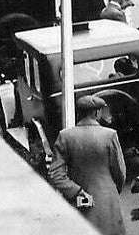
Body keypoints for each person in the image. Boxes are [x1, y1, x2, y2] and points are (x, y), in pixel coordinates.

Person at [48, 95, 127, 235]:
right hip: (107, 200)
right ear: (96, 113)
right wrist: (115, 189)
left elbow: (55, 174)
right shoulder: (109, 135)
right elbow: (120, 171)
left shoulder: (65, 136)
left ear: (79, 113)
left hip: (79, 203)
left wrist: (76, 191)